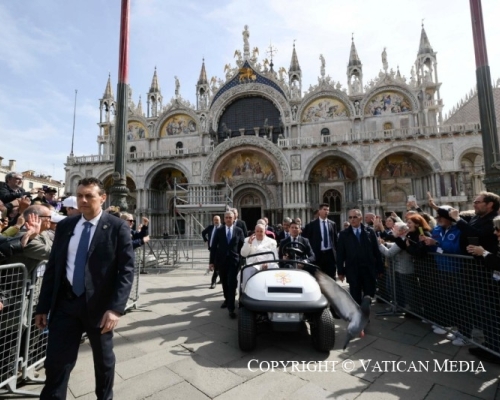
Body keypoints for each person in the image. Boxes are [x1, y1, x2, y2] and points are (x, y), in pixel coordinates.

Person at [35, 177, 135, 399]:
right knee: (56, 362)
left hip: (100, 308)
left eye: (89, 195)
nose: (83, 200)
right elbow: (53, 268)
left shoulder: (117, 227)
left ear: (102, 197)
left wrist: (116, 308)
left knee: (104, 362)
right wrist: (42, 307)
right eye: (79, 195)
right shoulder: (66, 226)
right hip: (65, 304)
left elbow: (126, 270)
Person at [466, 215, 500, 364]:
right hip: (493, 285)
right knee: (490, 317)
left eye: (497, 229)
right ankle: (491, 347)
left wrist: (484, 253)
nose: (495, 233)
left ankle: (495, 351)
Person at [337, 209, 383, 305]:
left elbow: (376, 251)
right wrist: (340, 271)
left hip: (368, 269)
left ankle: (366, 315)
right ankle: (358, 316)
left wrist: (380, 268)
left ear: (360, 218)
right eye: (350, 217)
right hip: (353, 270)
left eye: (355, 217)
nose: (352, 219)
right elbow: (340, 254)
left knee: (368, 296)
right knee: (355, 296)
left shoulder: (369, 232)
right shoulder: (344, 234)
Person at [209, 211, 244, 319]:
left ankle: (231, 308)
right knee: (224, 282)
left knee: (232, 283)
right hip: (222, 261)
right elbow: (214, 247)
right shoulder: (219, 231)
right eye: (227, 217)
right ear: (224, 219)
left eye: (230, 217)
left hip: (234, 261)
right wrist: (211, 262)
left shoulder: (239, 231)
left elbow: (242, 247)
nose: (228, 219)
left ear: (234, 219)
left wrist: (241, 260)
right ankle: (227, 299)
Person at [302, 203, 338, 279]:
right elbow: (306, 240)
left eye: (328, 210)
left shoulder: (332, 224)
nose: (326, 212)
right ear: (319, 211)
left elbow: (335, 240)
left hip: (330, 255)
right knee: (317, 277)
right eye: (324, 209)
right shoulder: (312, 225)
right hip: (317, 255)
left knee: (331, 277)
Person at [240, 223, 279, 288]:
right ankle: (246, 291)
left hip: (267, 263)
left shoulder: (272, 241)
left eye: (261, 231)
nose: (259, 233)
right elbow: (243, 254)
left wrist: (267, 264)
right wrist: (249, 244)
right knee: (248, 271)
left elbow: (275, 257)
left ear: (265, 232)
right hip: (253, 264)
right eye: (257, 231)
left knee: (275, 268)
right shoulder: (248, 240)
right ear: (254, 231)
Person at [201, 215, 222, 289]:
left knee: (217, 266)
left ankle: (213, 282)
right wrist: (206, 240)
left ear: (220, 220)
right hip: (212, 249)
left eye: (217, 220)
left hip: (220, 250)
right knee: (214, 265)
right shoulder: (210, 227)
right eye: (215, 220)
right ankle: (218, 280)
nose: (216, 221)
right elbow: (203, 233)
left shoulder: (223, 228)